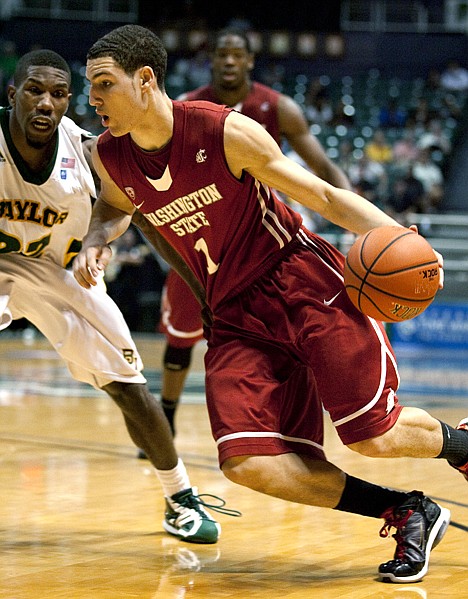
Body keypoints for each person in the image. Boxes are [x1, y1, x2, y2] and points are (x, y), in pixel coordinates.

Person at [74, 25, 468, 584]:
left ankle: (462, 445)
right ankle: (407, 511)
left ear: (144, 81)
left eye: (102, 84)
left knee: (373, 436)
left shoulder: (223, 129)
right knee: (248, 463)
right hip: (233, 313)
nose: (92, 98)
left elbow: (325, 197)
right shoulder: (110, 157)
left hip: (301, 283)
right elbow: (116, 207)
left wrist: (408, 241)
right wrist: (97, 239)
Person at [0, 48, 236, 545]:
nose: (46, 103)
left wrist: (201, 291)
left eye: (59, 94)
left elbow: (146, 215)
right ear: (12, 94)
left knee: (129, 386)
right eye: (34, 91)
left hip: (61, 273)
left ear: (69, 101)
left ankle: (179, 499)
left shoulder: (87, 151)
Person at [156, 28, 352, 438]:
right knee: (181, 337)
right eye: (222, 54)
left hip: (260, 236)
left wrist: (351, 208)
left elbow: (324, 169)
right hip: (202, 234)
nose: (229, 62)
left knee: (287, 333)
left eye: (236, 55)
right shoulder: (187, 107)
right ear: (211, 59)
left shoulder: (277, 107)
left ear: (249, 61)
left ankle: (289, 426)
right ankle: (166, 417)